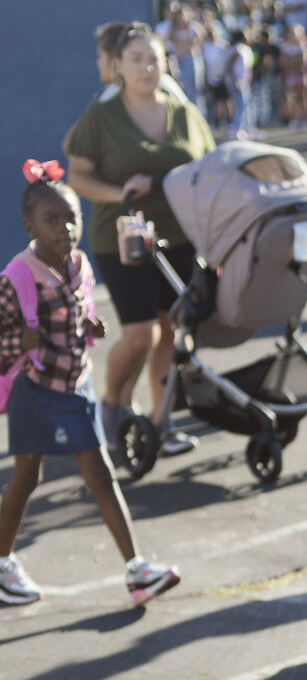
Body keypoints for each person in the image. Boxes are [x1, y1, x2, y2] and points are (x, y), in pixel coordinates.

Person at [0, 162, 179, 608]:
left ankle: (137, 571)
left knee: (93, 474)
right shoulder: (18, 277)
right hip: (36, 390)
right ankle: (3, 563)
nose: (64, 229)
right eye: (51, 221)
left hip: (75, 387)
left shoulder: (80, 264)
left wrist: (92, 326)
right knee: (28, 477)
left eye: (71, 218)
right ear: (29, 226)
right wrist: (16, 340)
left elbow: (83, 313)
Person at [65, 24, 214, 459]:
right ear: (118, 68)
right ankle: (113, 406)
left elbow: (209, 167)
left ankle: (160, 423)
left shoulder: (184, 112)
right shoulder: (102, 116)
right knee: (138, 334)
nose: (147, 67)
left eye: (154, 58)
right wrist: (121, 193)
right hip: (123, 238)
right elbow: (77, 174)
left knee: (170, 330)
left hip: (181, 237)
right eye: (136, 60)